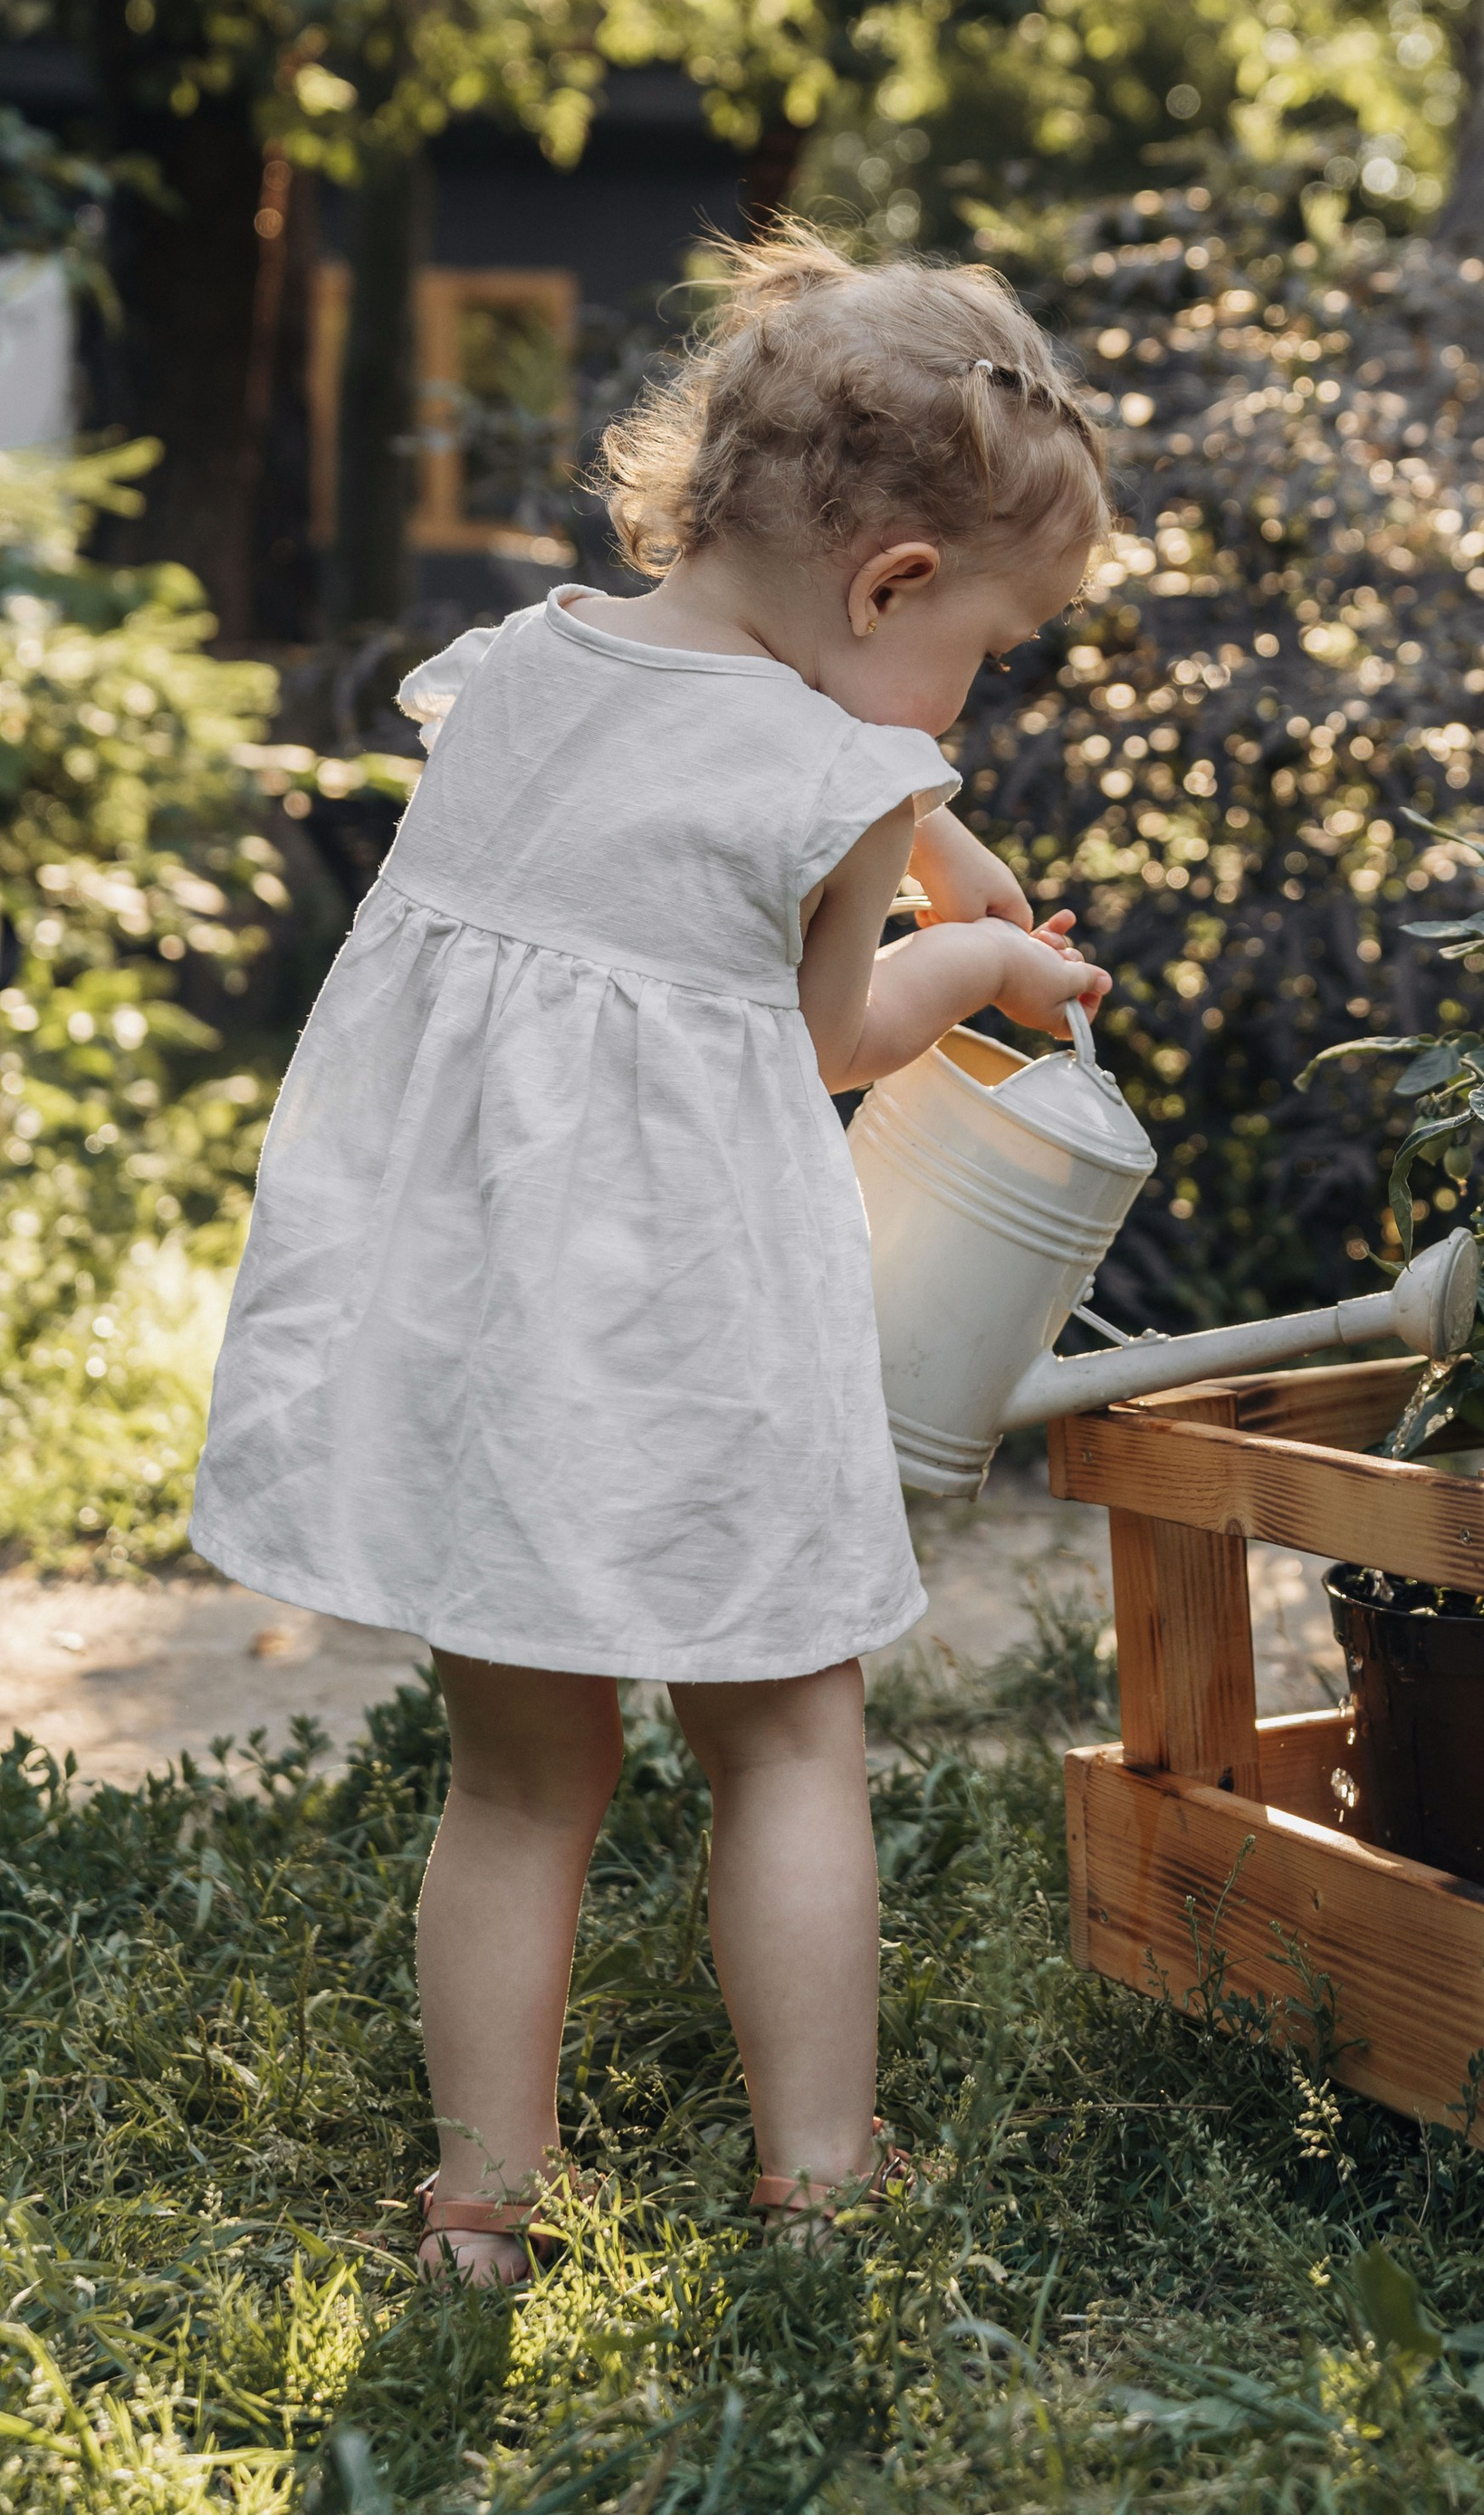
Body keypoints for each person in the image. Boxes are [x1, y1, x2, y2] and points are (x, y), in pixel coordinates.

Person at [190, 233, 1113, 2281]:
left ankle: (477, 2204)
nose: (969, 695)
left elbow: (675, 809)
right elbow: (823, 1035)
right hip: (693, 1339)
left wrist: (928, 825)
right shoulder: (836, 771)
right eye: (983, 640)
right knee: (781, 1739)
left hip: (491, 1337)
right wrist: (967, 950)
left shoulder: (514, 670)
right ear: (885, 582)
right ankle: (816, 2182)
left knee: (522, 1776)